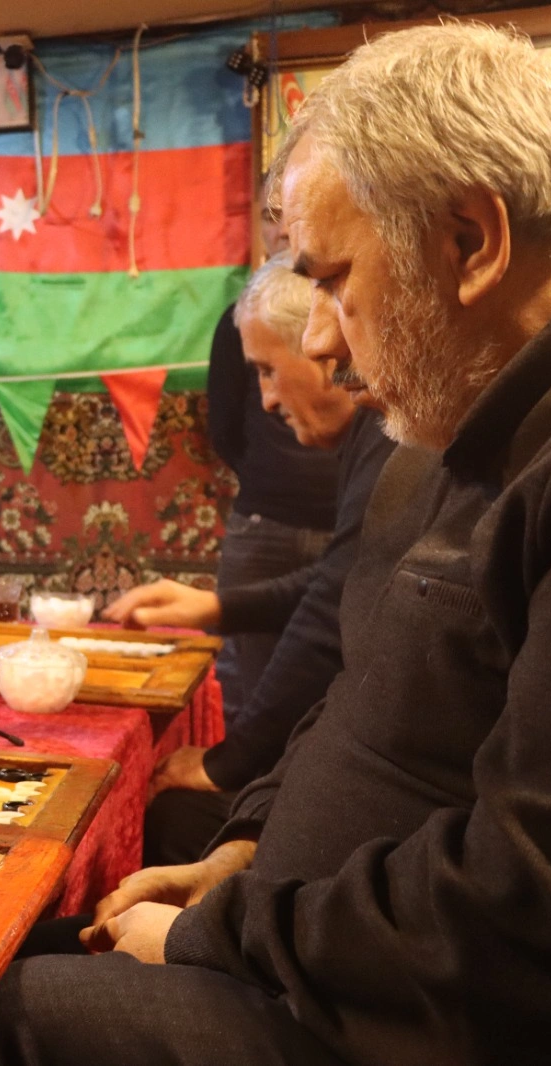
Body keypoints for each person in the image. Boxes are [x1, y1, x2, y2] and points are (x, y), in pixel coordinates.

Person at [0, 24, 551, 1065]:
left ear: (472, 242)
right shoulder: (470, 430)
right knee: (2, 949)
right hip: (315, 944)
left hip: (403, 1023)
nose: (322, 340)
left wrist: (220, 935)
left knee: (4, 1015)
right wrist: (242, 852)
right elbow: (360, 695)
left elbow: (530, 906)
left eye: (333, 279)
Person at [106, 253, 393, 866]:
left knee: (181, 814)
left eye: (267, 370)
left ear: (323, 341)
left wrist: (227, 763)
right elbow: (338, 583)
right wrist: (215, 607)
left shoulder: (392, 438)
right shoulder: (374, 436)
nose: (264, 399)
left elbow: (327, 620)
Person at [204, 214, 341, 732]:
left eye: (270, 371)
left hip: (332, 519)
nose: (267, 399)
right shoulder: (244, 317)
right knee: (246, 691)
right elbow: (223, 426)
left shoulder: (388, 452)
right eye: (270, 217)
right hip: (264, 518)